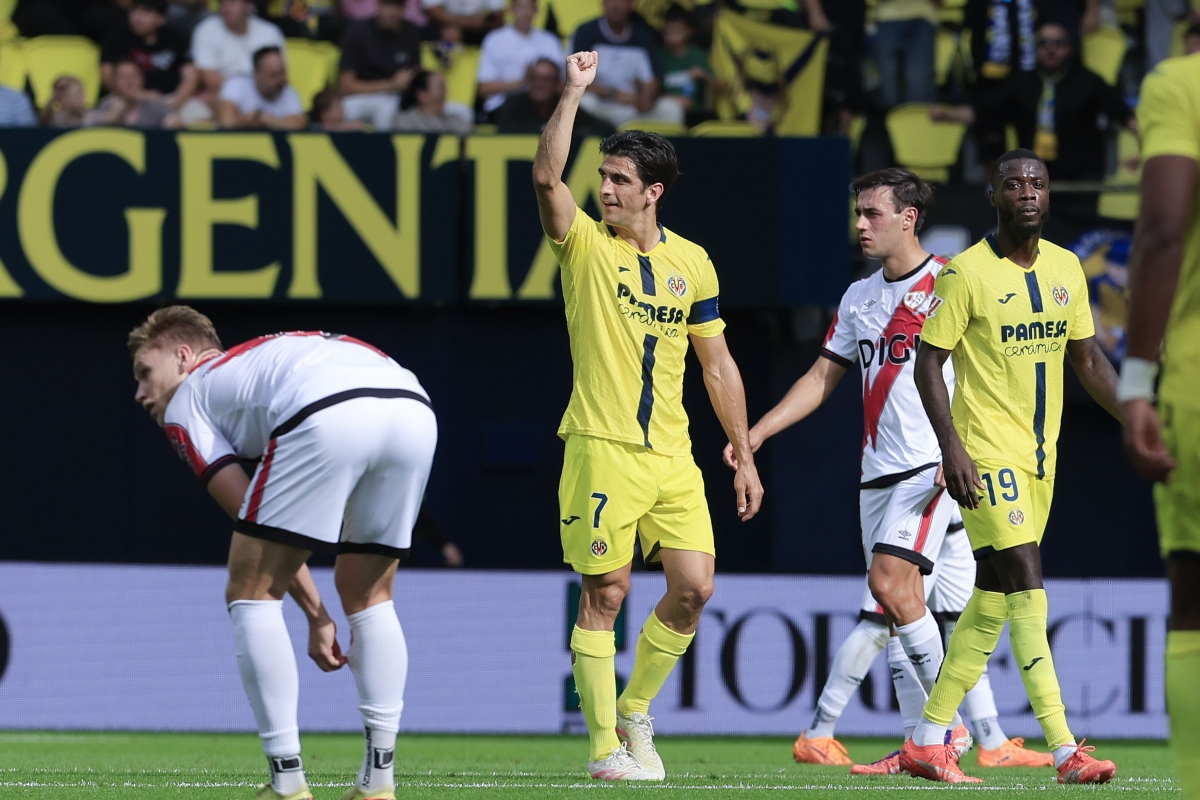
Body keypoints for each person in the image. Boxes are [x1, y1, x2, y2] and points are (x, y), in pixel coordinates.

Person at [728, 168, 1049, 775]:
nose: (860, 224)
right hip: (876, 474)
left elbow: (998, 370)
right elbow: (823, 377)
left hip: (934, 468)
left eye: (872, 213)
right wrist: (760, 430)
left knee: (890, 589)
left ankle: (940, 737)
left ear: (909, 217)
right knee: (906, 606)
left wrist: (965, 447)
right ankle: (929, 743)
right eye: (858, 213)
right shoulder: (859, 297)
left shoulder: (953, 281)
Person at [533, 50, 764, 782]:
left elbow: (716, 363)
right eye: (602, 177)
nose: (604, 189)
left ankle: (635, 710)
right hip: (601, 446)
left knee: (695, 587)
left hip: (673, 455)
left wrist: (744, 451)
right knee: (607, 592)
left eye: (619, 181)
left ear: (653, 191)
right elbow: (545, 177)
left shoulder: (693, 264)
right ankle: (604, 751)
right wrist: (572, 93)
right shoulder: (584, 248)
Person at [130, 307, 436, 800]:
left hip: (327, 408)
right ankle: (378, 785)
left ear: (184, 357)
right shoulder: (264, 361)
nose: (141, 393)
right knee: (369, 594)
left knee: (250, 591)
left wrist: (316, 616)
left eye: (146, 373)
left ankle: (287, 784)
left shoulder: (189, 396)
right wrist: (321, 613)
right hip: (413, 406)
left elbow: (245, 512)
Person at [899, 148, 1122, 784]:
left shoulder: (1067, 268)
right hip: (986, 455)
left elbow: (1088, 360)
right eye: (1014, 184)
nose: (1027, 192)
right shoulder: (966, 273)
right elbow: (926, 363)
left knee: (991, 601)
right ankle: (1063, 748)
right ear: (994, 197)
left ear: (1048, 196)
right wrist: (953, 449)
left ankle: (925, 739)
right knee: (1028, 584)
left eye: (1038, 183)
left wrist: (1137, 416)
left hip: (1040, 460)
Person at [1120, 49, 1200, 800]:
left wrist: (1137, 377)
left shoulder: (1180, 83)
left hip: (1196, 384)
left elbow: (1166, 228)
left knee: (1194, 599)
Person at [931, 21, 1135, 181]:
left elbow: (1123, 115)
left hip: (1081, 178)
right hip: (1034, 178)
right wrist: (948, 115)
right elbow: (985, 110)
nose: (1051, 49)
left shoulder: (1089, 81)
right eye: (1044, 43)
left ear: (1069, 47)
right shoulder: (1021, 82)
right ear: (1036, 48)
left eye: (1058, 43)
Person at [571, 0, 684, 129]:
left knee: (671, 109)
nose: (617, 5)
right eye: (611, 0)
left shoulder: (643, 36)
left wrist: (645, 98)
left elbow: (651, 81)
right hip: (600, 106)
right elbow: (573, 80)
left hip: (632, 108)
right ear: (603, 4)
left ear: (633, 5)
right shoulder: (586, 33)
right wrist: (613, 93)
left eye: (623, 1)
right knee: (584, 102)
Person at [101, 0, 201, 116]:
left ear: (161, 18)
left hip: (171, 98)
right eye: (134, 11)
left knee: (200, 117)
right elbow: (107, 73)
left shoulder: (175, 39)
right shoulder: (117, 37)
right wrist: (136, 95)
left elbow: (190, 76)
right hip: (126, 98)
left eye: (146, 12)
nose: (138, 18)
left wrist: (173, 103)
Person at [338, 0, 422, 132]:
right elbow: (345, 86)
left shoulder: (411, 33)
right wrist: (391, 84)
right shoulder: (358, 31)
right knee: (383, 108)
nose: (392, 12)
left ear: (404, 8)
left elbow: (416, 76)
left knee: (460, 111)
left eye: (397, 5)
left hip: (399, 99)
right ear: (377, 5)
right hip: (360, 97)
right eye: (387, 5)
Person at [475, 0, 561, 117]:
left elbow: (561, 83)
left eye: (529, 8)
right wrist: (523, 82)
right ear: (511, 10)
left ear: (536, 10)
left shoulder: (550, 41)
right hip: (503, 105)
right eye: (520, 8)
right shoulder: (494, 40)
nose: (525, 13)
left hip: (544, 105)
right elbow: (483, 89)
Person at [495, 57, 615, 137]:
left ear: (557, 83)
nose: (540, 85)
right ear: (528, 82)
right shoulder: (513, 104)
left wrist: (576, 134)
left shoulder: (563, 104)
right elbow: (505, 131)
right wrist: (547, 130)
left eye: (546, 80)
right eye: (535, 79)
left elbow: (603, 128)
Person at [191, 0, 286, 99]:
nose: (226, 7)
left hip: (267, 96)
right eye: (222, 2)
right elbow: (210, 79)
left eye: (232, 2)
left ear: (249, 5)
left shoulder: (270, 32)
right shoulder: (206, 30)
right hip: (224, 97)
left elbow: (278, 75)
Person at [657, 4, 723, 125]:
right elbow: (652, 92)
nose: (672, 35)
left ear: (688, 31)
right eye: (668, 31)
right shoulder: (658, 57)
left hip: (697, 115)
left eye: (676, 30)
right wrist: (675, 101)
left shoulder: (698, 55)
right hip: (666, 113)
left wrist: (704, 75)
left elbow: (722, 87)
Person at [217, 45, 306, 129]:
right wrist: (253, 121)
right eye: (273, 75)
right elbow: (226, 122)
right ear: (256, 74)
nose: (281, 79)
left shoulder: (288, 92)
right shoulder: (236, 85)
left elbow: (298, 124)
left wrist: (261, 117)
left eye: (282, 73)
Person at [873, 0, 937, 108]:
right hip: (887, 17)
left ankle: (916, 122)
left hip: (923, 16)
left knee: (919, 80)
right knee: (888, 82)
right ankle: (887, 120)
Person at [85, 58, 182, 127]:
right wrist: (117, 112)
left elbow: (176, 124)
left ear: (142, 79)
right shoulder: (106, 104)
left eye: (133, 76)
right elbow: (89, 127)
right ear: (114, 81)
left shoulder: (153, 103)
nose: (129, 82)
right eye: (123, 77)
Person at [392, 69, 473, 133]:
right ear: (421, 95)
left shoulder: (456, 121)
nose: (445, 93)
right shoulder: (405, 123)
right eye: (441, 88)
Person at [422, 0, 503, 45]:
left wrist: (484, 19)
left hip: (479, 25)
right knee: (450, 33)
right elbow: (433, 11)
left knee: (499, 35)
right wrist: (466, 22)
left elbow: (498, 13)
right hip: (446, 24)